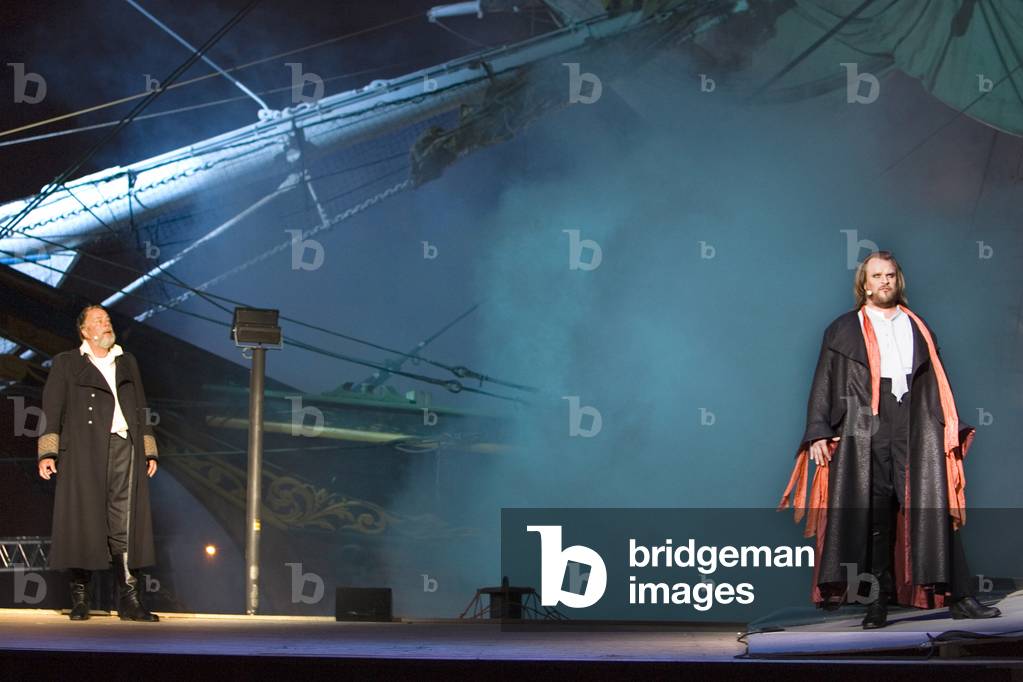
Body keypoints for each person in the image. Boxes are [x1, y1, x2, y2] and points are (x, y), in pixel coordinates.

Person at [779, 251, 1000, 629]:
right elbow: (824, 381)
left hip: (913, 421)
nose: (884, 281)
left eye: (891, 275)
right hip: (865, 424)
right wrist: (818, 429)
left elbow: (937, 383)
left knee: (933, 506)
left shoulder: (918, 326)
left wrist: (946, 425)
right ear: (864, 284)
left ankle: (961, 597)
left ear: (899, 281)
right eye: (877, 276)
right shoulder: (843, 329)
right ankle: (876, 603)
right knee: (875, 517)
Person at [37, 304, 160, 622]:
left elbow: (141, 407)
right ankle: (81, 599)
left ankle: (130, 600)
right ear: (84, 331)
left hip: (124, 445)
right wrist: (48, 452)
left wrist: (148, 448)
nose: (106, 324)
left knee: (125, 522)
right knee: (84, 521)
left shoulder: (126, 360)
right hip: (83, 451)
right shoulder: (67, 362)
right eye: (98, 321)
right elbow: (52, 408)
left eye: (107, 319)